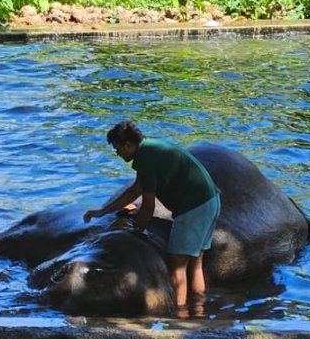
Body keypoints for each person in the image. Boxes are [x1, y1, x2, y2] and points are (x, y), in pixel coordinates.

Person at [84, 120, 221, 314]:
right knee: (196, 262)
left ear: (128, 145)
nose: (117, 153)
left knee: (177, 266)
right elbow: (134, 191)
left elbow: (148, 207)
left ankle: (179, 317)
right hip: (211, 201)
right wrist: (101, 211)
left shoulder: (146, 159)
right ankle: (199, 312)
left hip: (193, 208)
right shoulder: (152, 148)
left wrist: (136, 232)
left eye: (117, 148)